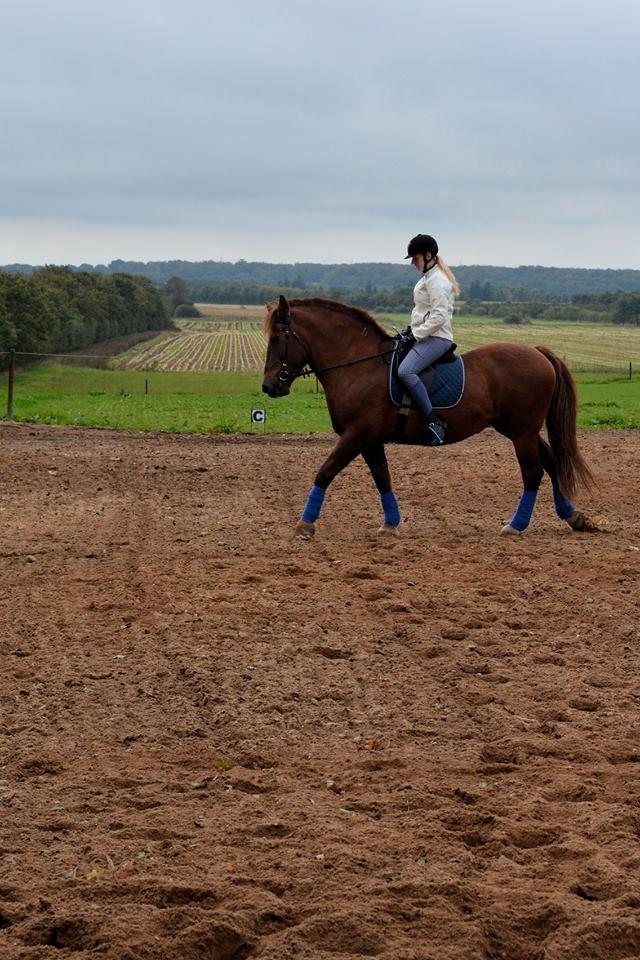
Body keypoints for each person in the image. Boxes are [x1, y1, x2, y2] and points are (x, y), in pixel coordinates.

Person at [398, 234, 460, 445]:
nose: (413, 263)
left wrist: (416, 334)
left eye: (415, 259)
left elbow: (439, 317)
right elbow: (423, 312)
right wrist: (411, 331)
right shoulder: (427, 278)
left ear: (428, 255)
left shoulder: (438, 281)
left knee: (405, 371)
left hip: (437, 338)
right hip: (425, 335)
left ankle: (434, 422)